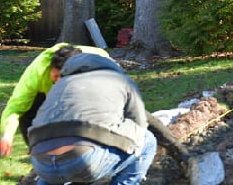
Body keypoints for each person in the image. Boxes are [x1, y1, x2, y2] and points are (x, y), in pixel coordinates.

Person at [0, 44, 194, 174]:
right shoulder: (37, 74)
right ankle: (42, 161)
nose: (58, 83)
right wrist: (7, 136)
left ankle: (181, 153)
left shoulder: (102, 66)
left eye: (61, 79)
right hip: (44, 102)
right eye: (54, 78)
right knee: (32, 115)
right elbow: (15, 108)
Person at [27, 49, 156, 185]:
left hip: (41, 163)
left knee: (53, 168)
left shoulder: (60, 85)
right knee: (148, 140)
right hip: (83, 160)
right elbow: (139, 126)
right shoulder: (121, 80)